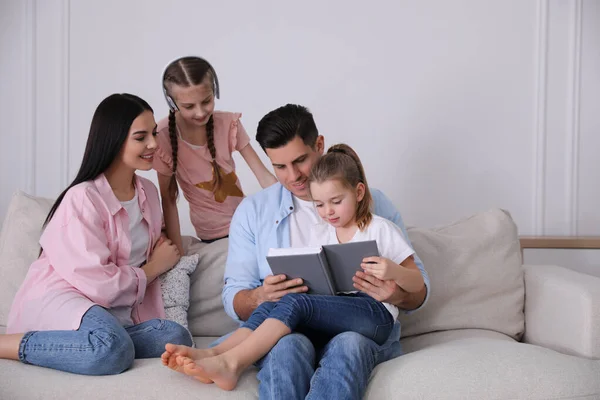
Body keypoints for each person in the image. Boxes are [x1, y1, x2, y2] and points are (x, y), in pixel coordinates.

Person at [162, 104, 430, 399]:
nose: (293, 176)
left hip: (361, 327)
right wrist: (261, 294)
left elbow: (418, 290)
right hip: (295, 330)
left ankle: (229, 361)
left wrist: (394, 292)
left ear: (319, 145)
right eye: (279, 167)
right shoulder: (257, 213)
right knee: (287, 343)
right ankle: (216, 354)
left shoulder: (373, 210)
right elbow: (234, 296)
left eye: (300, 160)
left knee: (346, 343)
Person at [0, 93, 192, 375]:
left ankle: (102, 341)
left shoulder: (148, 194)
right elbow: (98, 285)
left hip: (112, 314)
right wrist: (152, 269)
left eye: (154, 133)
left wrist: (167, 193)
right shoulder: (83, 198)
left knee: (174, 337)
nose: (153, 143)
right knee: (112, 350)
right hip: (68, 300)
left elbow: (170, 250)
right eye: (141, 137)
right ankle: (9, 345)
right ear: (114, 141)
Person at [154, 56, 276, 252]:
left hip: (247, 221)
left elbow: (262, 174)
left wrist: (293, 205)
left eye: (206, 101)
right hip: (212, 234)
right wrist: (178, 251)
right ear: (171, 102)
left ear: (215, 91)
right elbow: (168, 198)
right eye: (189, 106)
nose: (201, 112)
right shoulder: (162, 136)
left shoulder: (228, 123)